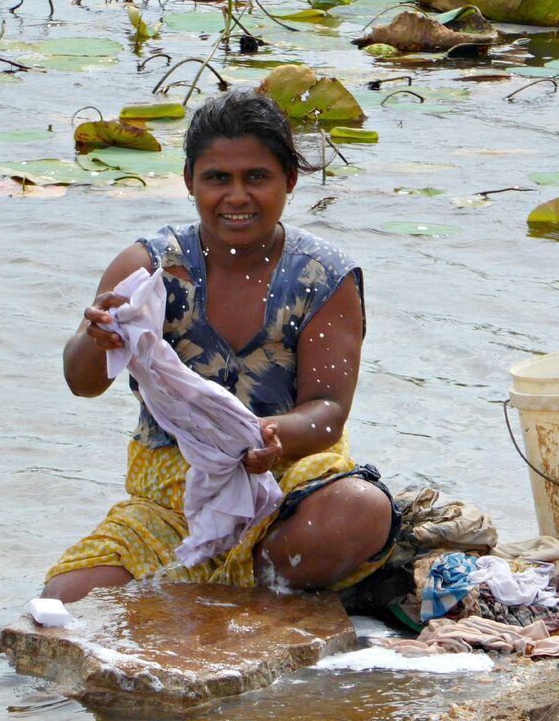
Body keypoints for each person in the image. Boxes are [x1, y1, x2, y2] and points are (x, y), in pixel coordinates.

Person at [42, 91, 397, 604]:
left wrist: (270, 437)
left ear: (289, 182)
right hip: (174, 495)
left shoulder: (322, 276)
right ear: (189, 181)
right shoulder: (150, 268)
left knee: (361, 510)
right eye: (217, 179)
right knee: (66, 596)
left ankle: (227, 584)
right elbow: (83, 384)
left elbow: (329, 411)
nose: (237, 196)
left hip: (284, 481)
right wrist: (95, 337)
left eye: (257, 177)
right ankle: (233, 585)